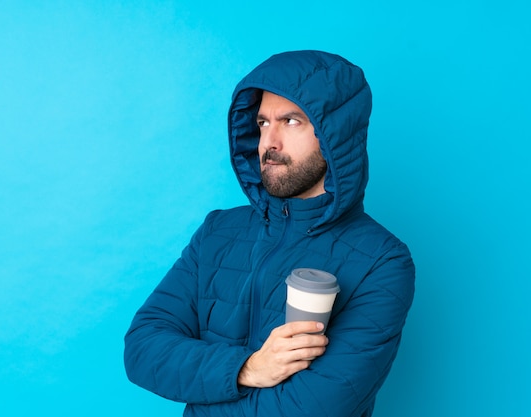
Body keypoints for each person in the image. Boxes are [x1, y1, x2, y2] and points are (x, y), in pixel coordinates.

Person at [124, 50, 415, 417]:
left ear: (334, 136)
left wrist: (205, 387)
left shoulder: (382, 261)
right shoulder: (218, 232)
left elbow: (313, 408)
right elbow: (142, 350)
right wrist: (247, 369)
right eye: (262, 123)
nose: (269, 143)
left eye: (291, 121)